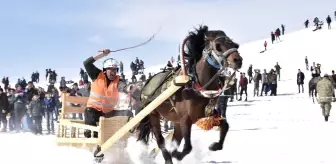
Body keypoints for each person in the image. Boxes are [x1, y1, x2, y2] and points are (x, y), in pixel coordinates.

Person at [83, 49, 132, 158]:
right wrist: (102, 55)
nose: (113, 72)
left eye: (115, 70)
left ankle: (127, 138)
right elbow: (86, 63)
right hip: (94, 111)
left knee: (128, 113)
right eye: (111, 69)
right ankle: (96, 146)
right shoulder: (97, 75)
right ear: (105, 70)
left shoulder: (118, 81)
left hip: (108, 113)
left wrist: (130, 88)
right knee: (88, 111)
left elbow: (124, 86)